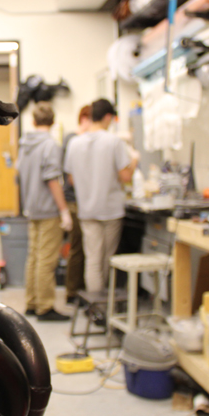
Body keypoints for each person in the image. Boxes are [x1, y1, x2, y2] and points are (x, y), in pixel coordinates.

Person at [64, 98, 138, 294]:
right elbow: (125, 176)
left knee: (92, 260)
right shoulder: (114, 142)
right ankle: (104, 304)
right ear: (107, 117)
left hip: (87, 210)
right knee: (107, 258)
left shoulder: (74, 143)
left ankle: (95, 307)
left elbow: (71, 179)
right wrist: (135, 161)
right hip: (110, 210)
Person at [17, 102, 73, 321]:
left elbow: (19, 172)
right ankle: (45, 306)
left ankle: (32, 302)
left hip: (31, 208)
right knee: (46, 260)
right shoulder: (50, 145)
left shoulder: (25, 144)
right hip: (48, 210)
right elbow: (52, 179)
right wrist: (64, 210)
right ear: (53, 121)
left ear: (33, 121)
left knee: (33, 257)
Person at [62, 104, 91, 305]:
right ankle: (73, 291)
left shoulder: (76, 140)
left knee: (81, 248)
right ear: (85, 119)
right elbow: (72, 177)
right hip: (75, 201)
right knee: (78, 248)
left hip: (80, 201)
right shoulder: (74, 140)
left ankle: (77, 289)